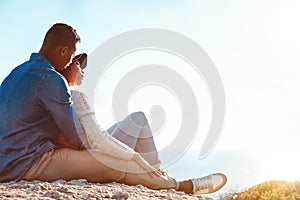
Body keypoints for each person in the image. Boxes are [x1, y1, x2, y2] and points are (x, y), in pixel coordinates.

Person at [0, 23, 227, 195]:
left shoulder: (16, 73)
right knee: (117, 164)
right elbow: (76, 141)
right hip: (29, 163)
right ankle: (180, 187)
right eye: (71, 56)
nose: (72, 62)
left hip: (17, 158)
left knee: (138, 119)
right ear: (62, 51)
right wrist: (68, 83)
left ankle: (157, 176)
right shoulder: (51, 80)